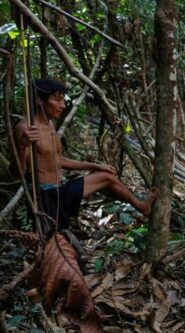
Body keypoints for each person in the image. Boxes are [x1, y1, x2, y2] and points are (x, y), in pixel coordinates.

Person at [13, 78, 155, 231]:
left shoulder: (50, 124)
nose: (62, 105)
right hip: (45, 197)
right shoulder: (26, 129)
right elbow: (17, 173)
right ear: (40, 101)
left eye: (63, 100)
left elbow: (57, 159)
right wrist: (22, 147)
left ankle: (142, 206)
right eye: (57, 100)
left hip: (61, 191)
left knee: (107, 177)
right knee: (52, 244)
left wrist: (95, 166)